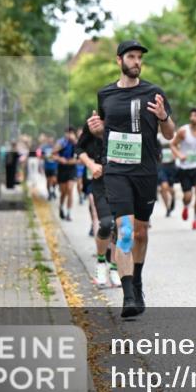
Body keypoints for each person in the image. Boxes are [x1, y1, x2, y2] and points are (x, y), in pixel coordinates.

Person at [87, 40, 175, 318]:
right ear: (119, 61)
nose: (136, 61)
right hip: (116, 171)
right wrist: (98, 129)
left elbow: (170, 134)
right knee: (123, 230)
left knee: (140, 232)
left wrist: (163, 117)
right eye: (131, 57)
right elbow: (105, 131)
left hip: (145, 171)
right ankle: (128, 296)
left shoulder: (153, 92)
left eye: (139, 57)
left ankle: (136, 280)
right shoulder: (105, 94)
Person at [76, 120, 120, 288]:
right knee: (107, 223)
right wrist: (90, 164)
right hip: (100, 183)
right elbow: (79, 148)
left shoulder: (122, 119)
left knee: (120, 226)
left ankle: (114, 267)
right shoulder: (92, 122)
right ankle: (101, 262)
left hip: (122, 181)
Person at [171, 108, 196, 230]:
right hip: (185, 168)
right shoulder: (183, 131)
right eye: (191, 115)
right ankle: (186, 206)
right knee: (188, 196)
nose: (193, 117)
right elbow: (173, 144)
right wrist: (179, 155)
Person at [54, 126, 78, 221]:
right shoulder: (61, 142)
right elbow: (52, 154)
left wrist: (75, 141)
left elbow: (81, 153)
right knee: (63, 192)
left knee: (70, 189)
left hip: (72, 169)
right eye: (67, 133)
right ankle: (61, 207)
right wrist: (60, 159)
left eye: (71, 133)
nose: (69, 135)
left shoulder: (76, 142)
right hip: (62, 168)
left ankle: (69, 213)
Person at [157, 134, 178, 217]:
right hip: (161, 166)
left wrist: (175, 154)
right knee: (163, 187)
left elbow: (178, 147)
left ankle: (173, 197)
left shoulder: (174, 135)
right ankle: (168, 208)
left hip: (171, 165)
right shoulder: (158, 137)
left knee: (170, 188)